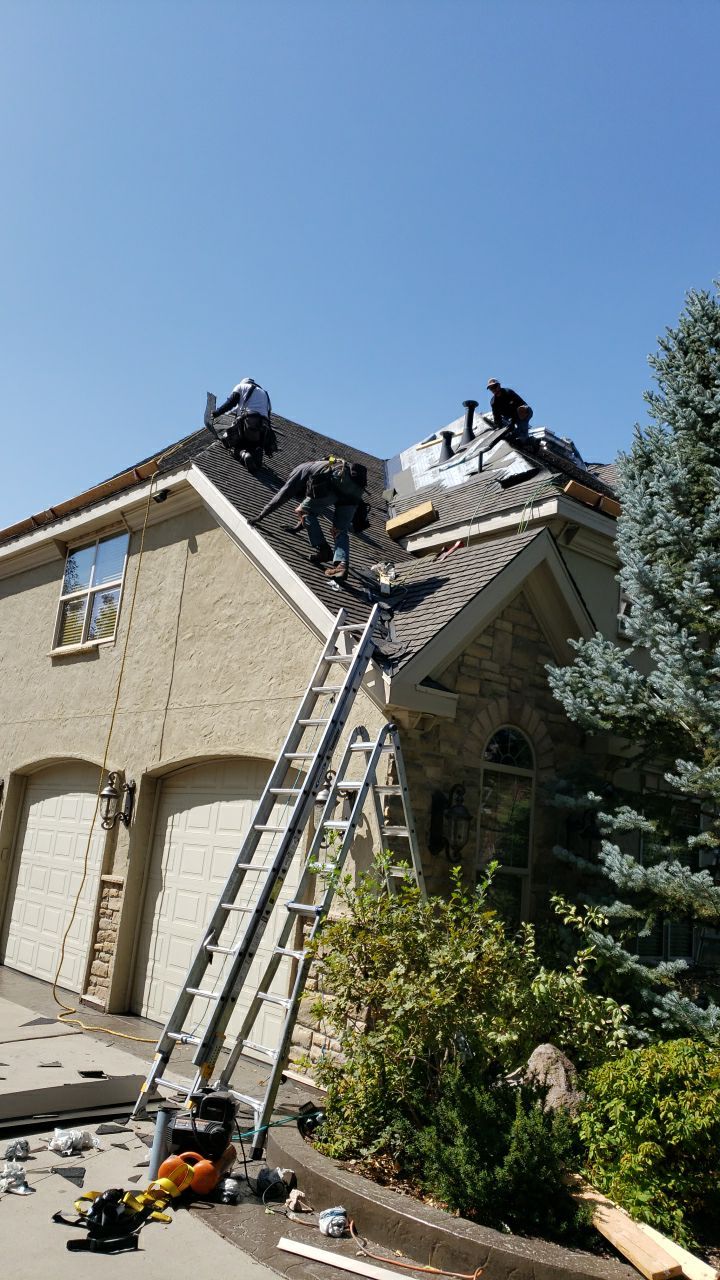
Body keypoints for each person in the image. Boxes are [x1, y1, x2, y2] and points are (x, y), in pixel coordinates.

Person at [251, 458, 368, 581]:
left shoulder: (300, 470)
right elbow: (313, 508)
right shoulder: (325, 465)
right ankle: (341, 566)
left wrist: (261, 516)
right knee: (339, 529)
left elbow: (283, 494)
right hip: (356, 491)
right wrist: (297, 528)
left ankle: (324, 550)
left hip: (337, 483)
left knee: (301, 510)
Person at [212, 377, 277, 470]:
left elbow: (231, 402)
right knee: (255, 446)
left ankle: (245, 455)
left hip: (249, 422)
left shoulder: (241, 386)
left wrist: (216, 413)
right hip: (264, 427)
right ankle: (256, 460)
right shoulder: (264, 393)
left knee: (238, 446)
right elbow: (268, 413)